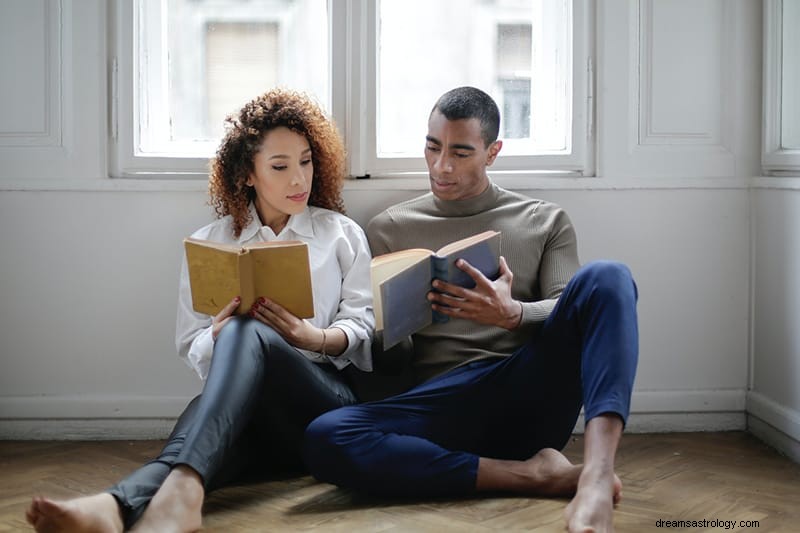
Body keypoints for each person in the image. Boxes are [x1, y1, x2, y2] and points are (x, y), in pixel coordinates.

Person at [25, 88, 374, 532]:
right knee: (208, 419)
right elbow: (191, 348)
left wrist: (312, 337)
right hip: (252, 420)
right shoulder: (214, 243)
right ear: (248, 174)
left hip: (322, 405)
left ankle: (149, 503)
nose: (298, 180)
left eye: (305, 161)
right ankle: (118, 506)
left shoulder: (340, 234)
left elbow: (363, 327)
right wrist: (216, 332)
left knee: (245, 336)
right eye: (280, 167)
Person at [303, 86, 638, 532]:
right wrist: (400, 322)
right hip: (441, 403)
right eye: (432, 147)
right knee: (326, 438)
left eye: (460, 152)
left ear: (492, 152)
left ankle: (596, 475)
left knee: (609, 276)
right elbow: (386, 361)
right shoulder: (389, 228)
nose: (442, 166)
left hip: (526, 386)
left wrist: (513, 315)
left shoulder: (543, 220)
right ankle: (534, 475)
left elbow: (572, 306)